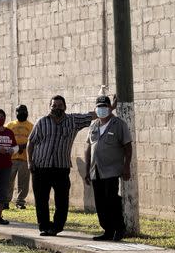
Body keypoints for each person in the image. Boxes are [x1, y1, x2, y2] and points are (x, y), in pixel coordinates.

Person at [28, 95, 105, 236]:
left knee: (62, 200)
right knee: (41, 200)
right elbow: (31, 142)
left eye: (59, 105)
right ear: (50, 107)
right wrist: (30, 162)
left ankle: (56, 227)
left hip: (61, 168)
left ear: (65, 107)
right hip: (40, 167)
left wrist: (108, 108)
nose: (57, 108)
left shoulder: (73, 121)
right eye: (54, 106)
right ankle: (44, 227)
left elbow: (90, 115)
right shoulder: (41, 122)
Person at [83, 96, 133, 241]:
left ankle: (119, 228)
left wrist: (126, 166)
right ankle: (107, 230)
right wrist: (87, 170)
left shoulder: (119, 124)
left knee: (112, 201)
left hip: (112, 170)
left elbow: (127, 147)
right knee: (100, 202)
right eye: (99, 106)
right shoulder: (94, 125)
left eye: (104, 106)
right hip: (95, 170)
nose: (101, 109)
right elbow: (88, 148)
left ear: (110, 107)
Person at [6, 104, 33, 209]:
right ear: (15, 113)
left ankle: (20, 202)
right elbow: (5, 139)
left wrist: (24, 146)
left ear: (27, 112)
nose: (21, 113)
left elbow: (34, 141)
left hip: (25, 159)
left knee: (23, 182)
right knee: (8, 181)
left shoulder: (31, 126)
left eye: (24, 111)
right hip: (10, 159)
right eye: (19, 111)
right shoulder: (9, 125)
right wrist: (15, 147)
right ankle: (6, 201)